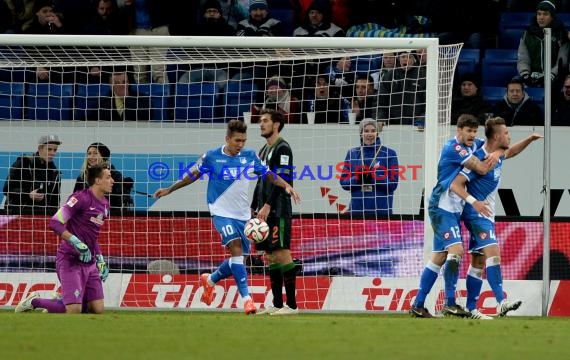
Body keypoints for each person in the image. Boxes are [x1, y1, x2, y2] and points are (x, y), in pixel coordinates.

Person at [153, 119, 301, 315]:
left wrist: (286, 185)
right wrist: (170, 189)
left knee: (238, 260)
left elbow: (269, 175)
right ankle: (247, 300)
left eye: (243, 141)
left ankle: (211, 279)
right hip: (220, 212)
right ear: (228, 139)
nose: (240, 145)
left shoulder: (249, 156)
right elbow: (193, 175)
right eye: (237, 141)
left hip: (242, 215)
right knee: (236, 249)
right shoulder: (212, 156)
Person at [409, 114, 501, 318]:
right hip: (442, 206)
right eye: (468, 131)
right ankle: (450, 303)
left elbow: (495, 144)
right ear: (458, 131)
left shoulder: (473, 144)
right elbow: (482, 168)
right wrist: (492, 156)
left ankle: (418, 304)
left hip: (453, 208)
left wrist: (500, 149)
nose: (472, 135)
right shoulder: (454, 148)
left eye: (474, 131)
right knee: (456, 250)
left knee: (439, 256)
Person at [450, 117, 542, 318]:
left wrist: (529, 139)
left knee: (478, 261)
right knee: (494, 252)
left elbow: (511, 151)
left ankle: (472, 308)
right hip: (477, 214)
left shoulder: (497, 155)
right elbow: (456, 183)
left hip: (485, 215)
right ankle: (501, 301)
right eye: (506, 133)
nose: (509, 136)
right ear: (497, 136)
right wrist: (474, 202)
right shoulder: (479, 159)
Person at [15, 163, 113, 314]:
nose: (112, 180)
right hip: (70, 259)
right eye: (108, 177)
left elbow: (93, 236)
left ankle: (61, 300)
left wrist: (100, 259)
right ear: (97, 181)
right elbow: (55, 222)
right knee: (74, 310)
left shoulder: (105, 205)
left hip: (89, 263)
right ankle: (34, 301)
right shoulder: (79, 199)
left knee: (97, 309)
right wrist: (75, 241)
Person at [251, 109, 298, 315]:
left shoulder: (283, 148)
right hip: (264, 210)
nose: (261, 124)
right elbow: (261, 181)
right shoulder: (263, 150)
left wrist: (268, 205)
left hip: (278, 209)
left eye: (265, 121)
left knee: (282, 253)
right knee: (270, 255)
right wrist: (254, 206)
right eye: (261, 121)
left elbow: (284, 182)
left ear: (276, 124)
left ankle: (293, 306)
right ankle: (277, 304)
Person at [339, 119, 399, 216]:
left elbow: (393, 184)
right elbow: (343, 183)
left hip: (381, 213)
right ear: (361, 133)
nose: (369, 134)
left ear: (377, 133)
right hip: (357, 212)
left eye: (373, 130)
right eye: (366, 131)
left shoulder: (389, 153)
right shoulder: (352, 153)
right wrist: (357, 178)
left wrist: (373, 177)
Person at [3, 134, 62, 215]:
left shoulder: (55, 173)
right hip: (17, 215)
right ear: (40, 149)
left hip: (41, 219)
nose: (53, 153)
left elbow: (55, 202)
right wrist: (28, 194)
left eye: (55, 150)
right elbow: (7, 189)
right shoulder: (23, 163)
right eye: (49, 149)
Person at [518, 1, 569, 88]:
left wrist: (551, 75)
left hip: (555, 78)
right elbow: (523, 59)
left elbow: (562, 61)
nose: (541, 17)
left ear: (552, 17)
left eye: (545, 14)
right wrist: (525, 75)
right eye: (539, 14)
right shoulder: (527, 34)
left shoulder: (561, 34)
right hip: (532, 77)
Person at [73, 142, 133, 214]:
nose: (91, 156)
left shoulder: (115, 176)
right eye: (89, 153)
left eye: (95, 153)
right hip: (85, 218)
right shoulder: (82, 178)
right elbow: (74, 201)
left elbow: (119, 204)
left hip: (109, 218)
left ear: (103, 157)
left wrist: (126, 193)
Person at [379, 52, 426, 125]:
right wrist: (381, 117)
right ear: (398, 59)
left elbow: (427, 101)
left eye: (409, 57)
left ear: (414, 60)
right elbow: (381, 100)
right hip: (393, 124)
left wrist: (423, 118)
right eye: (403, 57)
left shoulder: (423, 75)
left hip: (417, 125)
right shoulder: (389, 76)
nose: (406, 59)